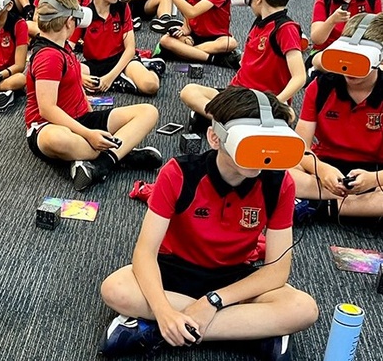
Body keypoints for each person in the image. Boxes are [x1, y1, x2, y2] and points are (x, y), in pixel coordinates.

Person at [99, 86, 318, 359]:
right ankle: (248, 332)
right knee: (116, 289)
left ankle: (159, 331)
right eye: (250, 143)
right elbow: (145, 253)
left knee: (303, 308)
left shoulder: (279, 182)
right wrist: (163, 310)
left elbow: (276, 271)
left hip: (233, 278)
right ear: (215, 138)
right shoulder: (179, 173)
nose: (260, 155)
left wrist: (213, 302)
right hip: (175, 270)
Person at [25, 0, 162, 191]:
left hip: (80, 118)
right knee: (57, 139)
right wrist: (89, 134)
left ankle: (101, 164)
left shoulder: (63, 46)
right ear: (69, 22)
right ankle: (120, 155)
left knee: (148, 112)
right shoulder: (49, 56)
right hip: (48, 125)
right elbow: (47, 110)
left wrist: (90, 117)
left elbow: (75, 86)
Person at [180, 0, 306, 123]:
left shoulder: (286, 28)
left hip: (262, 100)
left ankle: (226, 120)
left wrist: (275, 103)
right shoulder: (259, 22)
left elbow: (299, 77)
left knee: (289, 114)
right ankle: (238, 120)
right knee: (189, 92)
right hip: (238, 94)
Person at [290, 13, 383, 219]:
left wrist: (374, 179)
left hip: (375, 172)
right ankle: (356, 207)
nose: (349, 69)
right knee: (274, 167)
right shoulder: (321, 86)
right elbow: (300, 147)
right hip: (325, 167)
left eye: (360, 61)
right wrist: (322, 170)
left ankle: (323, 207)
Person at [71, 0, 161, 96]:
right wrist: (80, 77)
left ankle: (152, 68)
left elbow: (130, 49)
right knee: (64, 76)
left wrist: (109, 78)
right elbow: (66, 50)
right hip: (94, 64)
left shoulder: (122, 8)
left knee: (150, 86)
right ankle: (119, 80)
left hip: (122, 59)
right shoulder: (84, 14)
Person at [308, 0, 382, 74]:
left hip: (363, 51)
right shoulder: (324, 1)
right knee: (320, 61)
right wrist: (332, 21)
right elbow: (317, 40)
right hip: (328, 50)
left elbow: (380, 34)